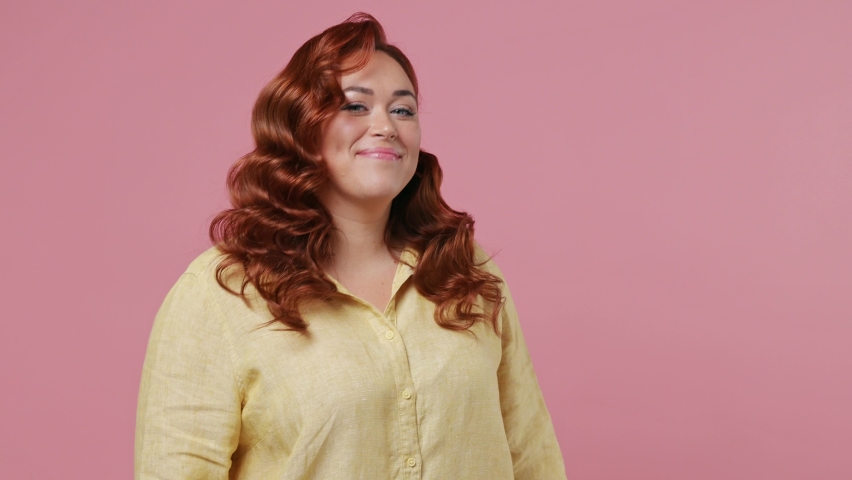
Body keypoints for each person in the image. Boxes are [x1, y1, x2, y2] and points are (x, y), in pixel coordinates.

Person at [135, 12, 566, 480]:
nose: (385, 126)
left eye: (403, 110)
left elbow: (530, 454)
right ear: (302, 128)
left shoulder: (464, 269)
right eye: (356, 106)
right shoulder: (222, 293)